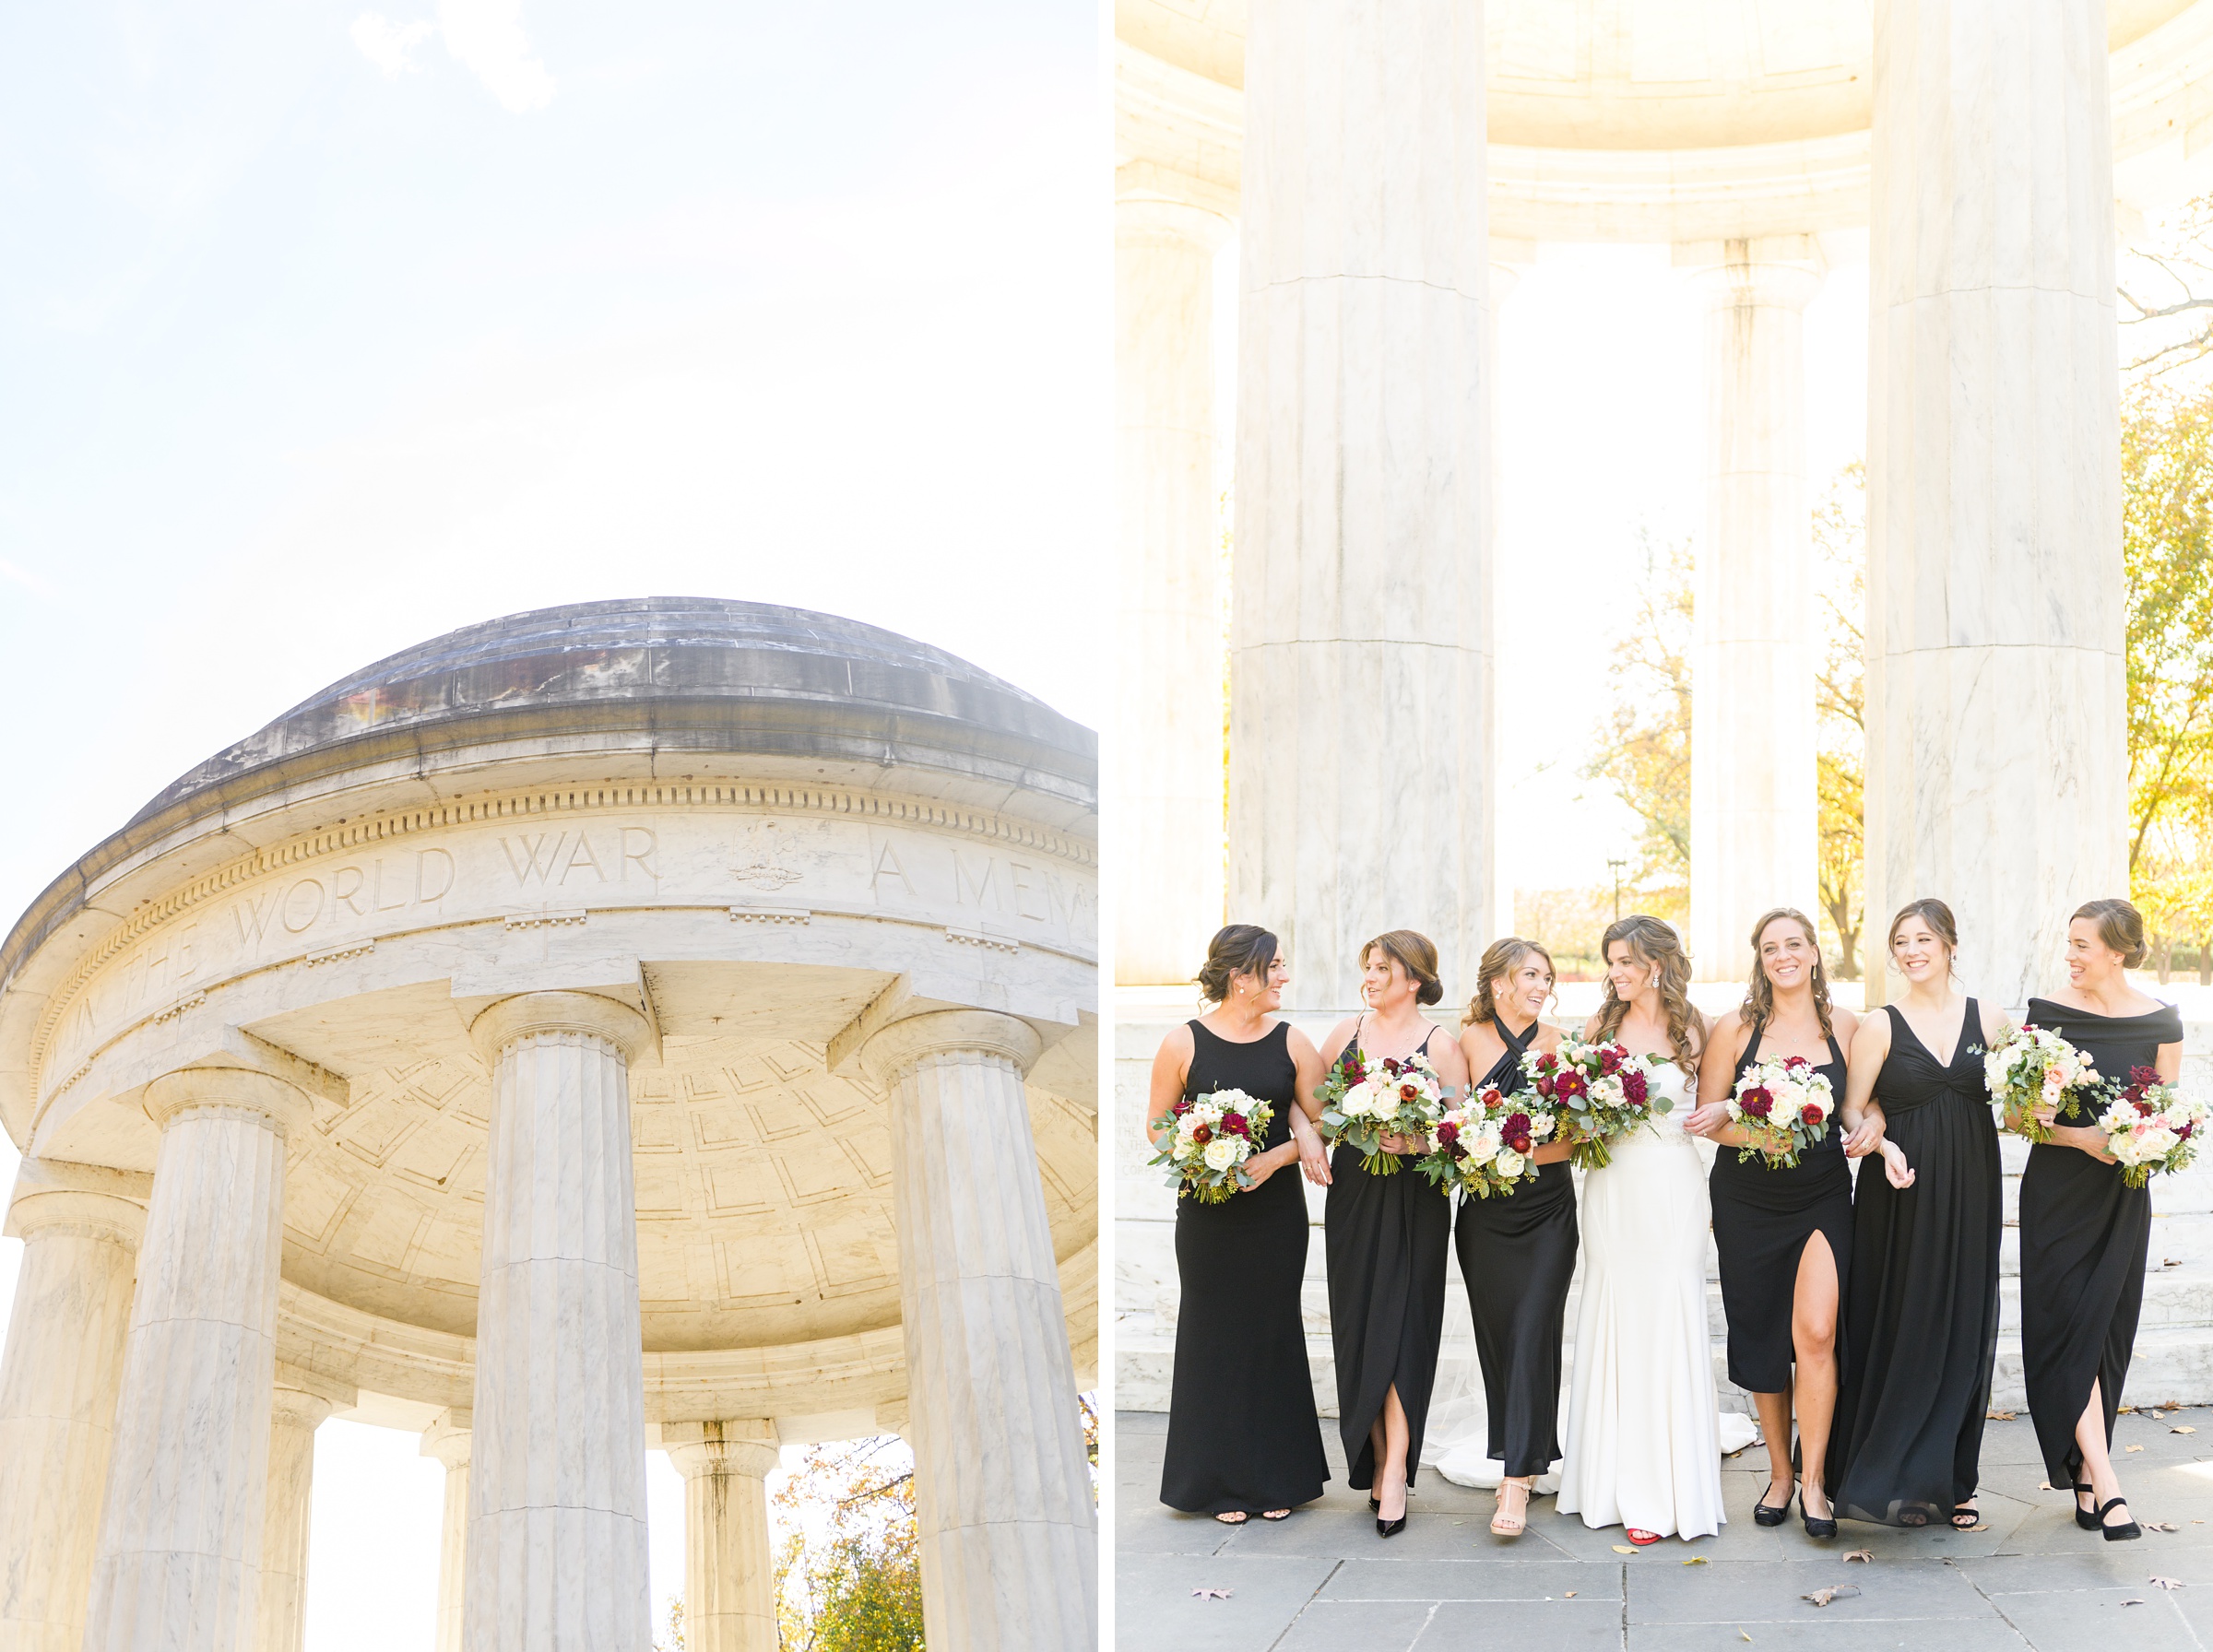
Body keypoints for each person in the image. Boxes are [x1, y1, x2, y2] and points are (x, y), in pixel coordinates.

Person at [1688, 908, 1877, 1540]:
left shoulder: (1844, 1025)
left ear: (1816, 953)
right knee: (1764, 1335)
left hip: (1822, 1193)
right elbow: (1707, 1118)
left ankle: (1816, 1478)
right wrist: (1763, 1136)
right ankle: (1778, 1472)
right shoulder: (1735, 1028)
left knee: (1818, 1332)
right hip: (1747, 1198)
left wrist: (1871, 1128)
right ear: (1760, 960)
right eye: (1771, 948)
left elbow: (1859, 1106)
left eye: (1794, 944)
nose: (1784, 956)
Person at [1827, 898, 2006, 1528]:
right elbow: (1852, 1107)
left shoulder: (1991, 1020)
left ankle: (1954, 1479)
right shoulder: (1879, 1024)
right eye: (1900, 941)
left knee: (1963, 1316)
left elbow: (2013, 1101)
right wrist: (1883, 1141)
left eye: (1923, 939)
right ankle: (1887, 1468)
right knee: (1899, 1317)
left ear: (1950, 944)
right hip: (1899, 1190)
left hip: (1973, 1186)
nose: (1910, 951)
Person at [1150, 924, 1331, 1523]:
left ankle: (1277, 1477)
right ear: (1241, 975)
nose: (1283, 976)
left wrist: (1286, 1147)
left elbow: (1331, 1117)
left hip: (1275, 1215)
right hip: (1206, 1213)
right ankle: (1219, 1485)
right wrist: (1200, 1152)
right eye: (1274, 966)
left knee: (1272, 1333)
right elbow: (1155, 1125)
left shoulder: (1292, 1042)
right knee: (1214, 1336)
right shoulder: (1183, 1042)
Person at [2018, 898, 2186, 1542]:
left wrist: (2150, 1139)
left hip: (2123, 1195)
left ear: (2117, 951)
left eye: (2083, 945)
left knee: (2105, 1331)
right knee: (2068, 1326)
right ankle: (2109, 1486)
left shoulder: (2163, 1021)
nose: (2071, 955)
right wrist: (2085, 1138)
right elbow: (2022, 1118)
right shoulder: (2048, 1015)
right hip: (2058, 1194)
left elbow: (2169, 1113)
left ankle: (2088, 1474)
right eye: (2070, 943)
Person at [1556, 914, 1725, 1544]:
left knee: (1667, 1312)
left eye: (1625, 960)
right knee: (1614, 1310)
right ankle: (1604, 1478)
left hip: (1673, 1183)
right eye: (1611, 961)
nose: (1615, 972)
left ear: (1656, 962)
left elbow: (1708, 1112)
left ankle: (1667, 1485)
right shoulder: (1601, 1025)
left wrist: (1734, 1107)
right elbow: (1572, 1106)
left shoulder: (1693, 1025)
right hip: (1611, 1181)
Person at [1316, 929, 1469, 1538]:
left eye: (1382, 967)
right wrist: (1342, 1133)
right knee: (1360, 1327)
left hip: (1417, 1201)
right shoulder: (1344, 1036)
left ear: (1414, 978)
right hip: (1355, 1196)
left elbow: (1459, 1134)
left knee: (1406, 1327)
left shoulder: (1442, 1045)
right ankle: (1377, 1458)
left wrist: (1419, 1139)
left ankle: (1399, 1464)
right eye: (1368, 967)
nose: (1371, 977)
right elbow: (1316, 1107)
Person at [1453, 938, 1577, 1539]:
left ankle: (1517, 1481)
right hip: (1484, 1215)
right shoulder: (1466, 1041)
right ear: (1499, 982)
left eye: (1546, 976)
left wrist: (1518, 1150)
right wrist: (1479, 1150)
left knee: (1533, 1330)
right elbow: (1449, 1126)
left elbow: (1582, 1139)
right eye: (1530, 973)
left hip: (1548, 1210)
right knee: (1500, 1337)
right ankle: (1516, 1447)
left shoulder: (1562, 1044)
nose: (1540, 984)